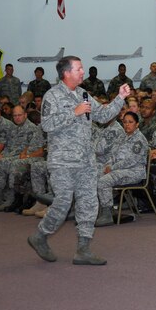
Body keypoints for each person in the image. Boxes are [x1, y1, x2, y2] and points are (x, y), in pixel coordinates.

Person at [27, 55, 130, 265]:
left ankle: (83, 249)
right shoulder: (52, 96)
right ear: (66, 73)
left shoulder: (83, 94)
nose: (83, 72)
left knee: (88, 204)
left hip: (86, 162)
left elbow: (101, 115)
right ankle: (40, 235)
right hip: (63, 163)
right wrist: (74, 113)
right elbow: (46, 125)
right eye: (79, 69)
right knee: (63, 204)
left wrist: (120, 98)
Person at [95, 112, 149, 227]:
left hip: (134, 171)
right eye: (124, 122)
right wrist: (108, 165)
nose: (127, 125)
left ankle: (107, 214)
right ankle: (96, 210)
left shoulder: (139, 139)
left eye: (130, 122)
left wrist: (112, 168)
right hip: (119, 170)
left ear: (137, 124)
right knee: (94, 175)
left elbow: (131, 161)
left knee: (104, 181)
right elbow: (113, 155)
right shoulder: (122, 137)